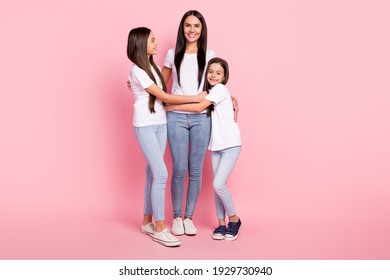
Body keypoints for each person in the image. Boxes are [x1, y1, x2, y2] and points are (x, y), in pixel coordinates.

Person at [126, 27, 206, 247]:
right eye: (153, 40)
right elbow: (163, 95)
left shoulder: (150, 67)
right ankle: (160, 228)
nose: (157, 43)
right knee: (161, 173)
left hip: (161, 123)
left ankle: (146, 222)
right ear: (142, 44)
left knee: (153, 172)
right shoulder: (137, 70)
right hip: (145, 125)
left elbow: (161, 96)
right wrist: (196, 99)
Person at [167, 57, 242, 241]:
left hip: (231, 144)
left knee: (218, 185)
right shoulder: (212, 92)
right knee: (217, 187)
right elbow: (202, 103)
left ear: (225, 77)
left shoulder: (220, 89)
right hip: (216, 146)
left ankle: (234, 219)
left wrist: (171, 106)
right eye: (211, 72)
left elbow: (199, 106)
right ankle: (221, 224)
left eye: (219, 73)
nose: (214, 75)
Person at [162, 10, 216, 236]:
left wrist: (230, 98)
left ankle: (189, 217)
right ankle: (176, 216)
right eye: (188, 25)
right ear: (182, 28)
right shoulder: (172, 54)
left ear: (202, 30)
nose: (192, 30)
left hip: (201, 118)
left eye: (196, 26)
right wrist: (138, 83)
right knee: (179, 169)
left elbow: (216, 83)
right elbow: (159, 84)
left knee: (195, 170)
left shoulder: (209, 54)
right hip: (175, 118)